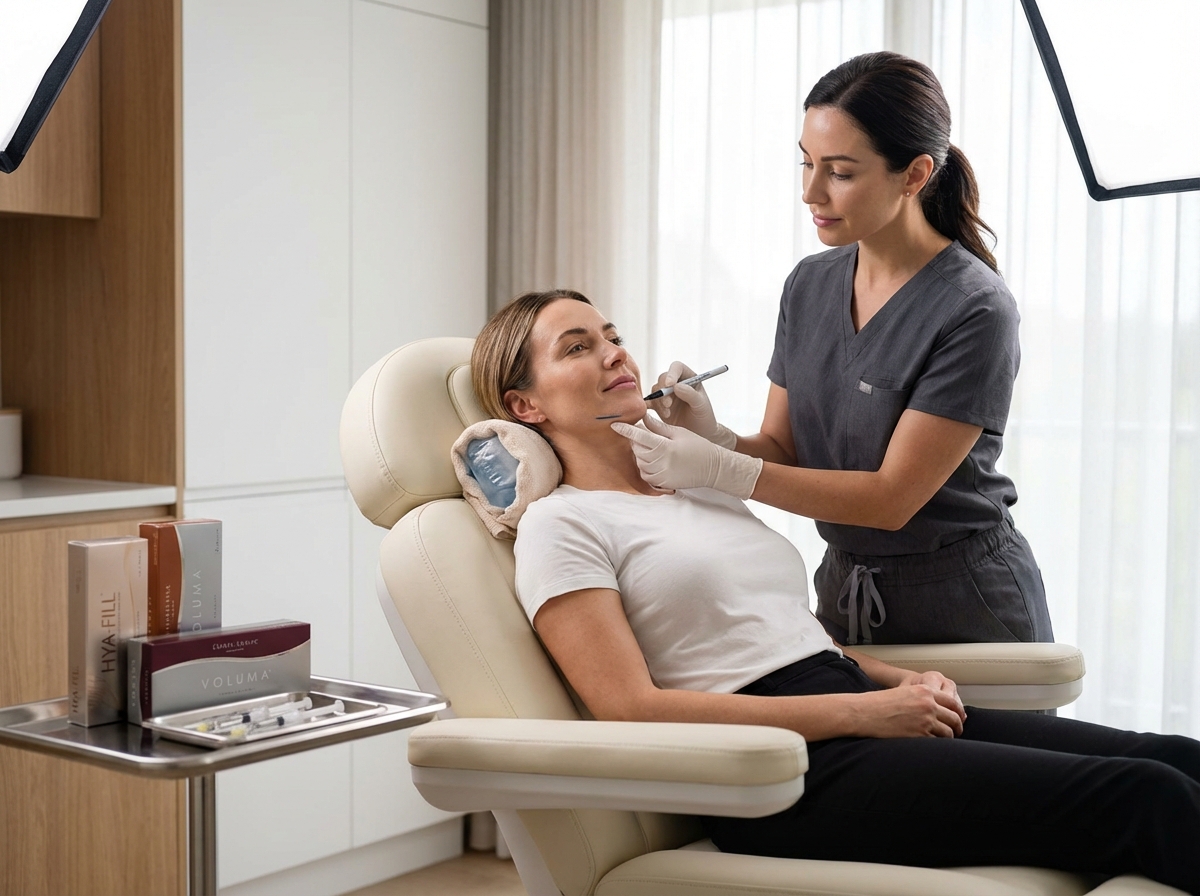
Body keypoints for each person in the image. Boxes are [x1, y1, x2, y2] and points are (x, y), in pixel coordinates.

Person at [470, 288, 1200, 893]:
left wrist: (896, 680)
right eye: (576, 346)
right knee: (1147, 798)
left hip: (844, 702)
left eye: (612, 334)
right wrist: (865, 711)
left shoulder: (690, 481)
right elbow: (630, 709)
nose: (614, 352)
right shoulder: (559, 526)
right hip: (783, 774)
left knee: (1173, 757)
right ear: (525, 406)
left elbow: (782, 635)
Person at [617, 52, 1049, 648]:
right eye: (806, 163)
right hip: (844, 591)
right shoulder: (810, 284)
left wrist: (721, 469)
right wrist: (718, 439)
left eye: (840, 172)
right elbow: (785, 450)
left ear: (915, 174)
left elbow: (892, 500)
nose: (810, 191)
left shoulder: (974, 308)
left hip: (963, 600)